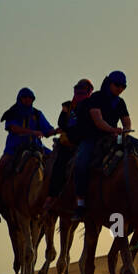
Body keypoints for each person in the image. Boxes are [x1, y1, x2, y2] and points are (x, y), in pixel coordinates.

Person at [0, 88, 58, 224]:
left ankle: (55, 201)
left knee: (56, 162)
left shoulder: (37, 114)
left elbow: (47, 130)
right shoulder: (12, 113)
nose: (27, 100)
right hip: (14, 149)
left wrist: (59, 130)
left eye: (30, 98)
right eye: (25, 98)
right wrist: (33, 132)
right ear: (20, 99)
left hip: (36, 147)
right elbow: (13, 128)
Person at [70, 71, 135, 220]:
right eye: (117, 85)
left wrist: (125, 132)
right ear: (109, 83)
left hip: (114, 137)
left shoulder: (120, 102)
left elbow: (126, 121)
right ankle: (80, 203)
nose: (120, 89)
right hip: (93, 137)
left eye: (123, 86)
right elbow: (98, 121)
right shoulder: (96, 98)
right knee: (80, 164)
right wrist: (113, 130)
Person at [41, 78, 94, 217]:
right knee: (59, 165)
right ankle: (52, 197)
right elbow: (62, 122)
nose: (80, 91)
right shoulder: (68, 106)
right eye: (79, 88)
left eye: (84, 89)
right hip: (68, 142)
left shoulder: (92, 105)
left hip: (84, 141)